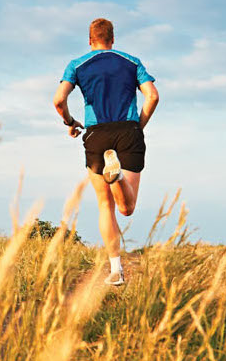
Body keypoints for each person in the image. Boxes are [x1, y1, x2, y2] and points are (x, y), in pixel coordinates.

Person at [52, 18, 159, 286]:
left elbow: (58, 100)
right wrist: (138, 126)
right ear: (113, 39)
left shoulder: (77, 64)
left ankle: (115, 270)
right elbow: (153, 96)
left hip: (96, 135)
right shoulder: (132, 62)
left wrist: (70, 122)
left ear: (90, 40)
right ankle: (118, 177)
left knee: (105, 206)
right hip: (128, 131)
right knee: (127, 208)